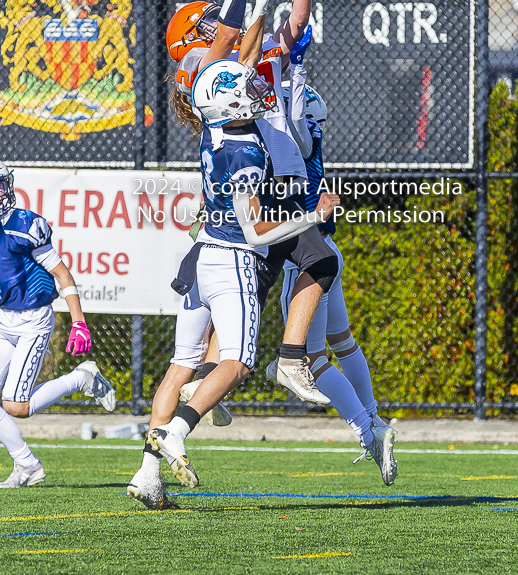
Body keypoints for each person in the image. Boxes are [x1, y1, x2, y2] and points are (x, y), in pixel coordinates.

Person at [128, 48, 339, 509]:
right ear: (230, 104)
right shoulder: (245, 151)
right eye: (246, 91)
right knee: (238, 362)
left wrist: (256, 5)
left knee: (184, 363)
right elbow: (256, 230)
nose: (257, 92)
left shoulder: (214, 128)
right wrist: (311, 217)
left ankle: (147, 473)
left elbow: (227, 76)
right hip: (234, 257)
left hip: (205, 250)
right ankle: (177, 432)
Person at [168, 0, 339, 404]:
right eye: (200, 25)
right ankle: (281, 360)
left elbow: (296, 23)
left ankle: (211, 384)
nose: (213, 25)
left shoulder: (249, 54)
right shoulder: (199, 69)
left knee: (261, 284)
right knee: (288, 268)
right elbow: (225, 38)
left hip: (273, 179)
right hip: (250, 184)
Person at [277, 30, 398, 485]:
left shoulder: (298, 141)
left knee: (312, 362)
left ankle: (369, 432)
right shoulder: (310, 140)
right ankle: (374, 417)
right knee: (344, 343)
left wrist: (298, 64)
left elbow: (289, 116)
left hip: (307, 256)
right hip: (327, 248)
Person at [0, 162, 115, 488]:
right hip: (4, 319)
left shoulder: (23, 226)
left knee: (16, 407)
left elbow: (63, 275)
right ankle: (26, 465)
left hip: (32, 321)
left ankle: (82, 378)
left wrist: (78, 322)